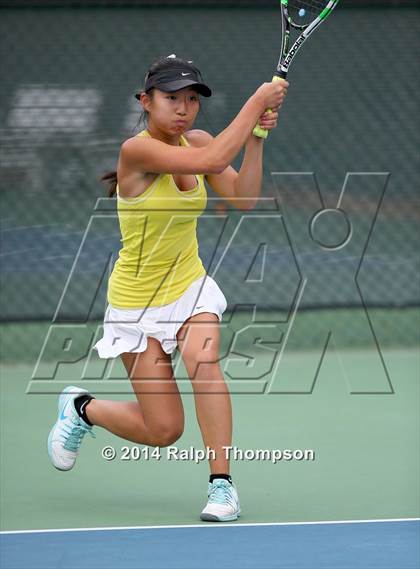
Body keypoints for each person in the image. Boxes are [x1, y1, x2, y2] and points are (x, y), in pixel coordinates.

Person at [47, 54, 288, 522]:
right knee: (163, 431)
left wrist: (257, 137)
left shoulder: (196, 140)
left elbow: (243, 197)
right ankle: (82, 408)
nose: (183, 108)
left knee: (204, 360)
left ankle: (222, 487)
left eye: (191, 99)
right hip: (135, 304)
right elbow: (215, 158)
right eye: (171, 98)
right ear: (146, 101)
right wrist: (258, 98)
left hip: (189, 285)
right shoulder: (136, 152)